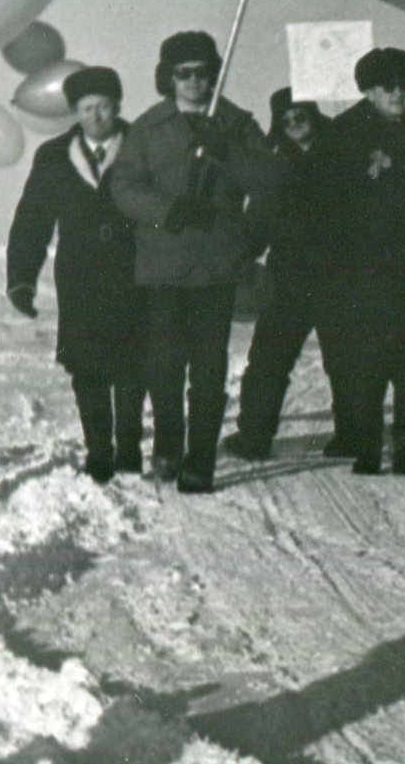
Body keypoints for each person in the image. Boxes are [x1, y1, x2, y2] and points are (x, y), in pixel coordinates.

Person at [107, 31, 278, 495]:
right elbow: (123, 186)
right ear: (168, 77)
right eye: (183, 73)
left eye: (203, 72)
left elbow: (270, 179)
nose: (194, 81)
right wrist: (166, 211)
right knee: (164, 365)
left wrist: (229, 152)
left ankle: (200, 460)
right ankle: (168, 444)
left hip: (215, 267)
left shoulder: (236, 123)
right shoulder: (148, 128)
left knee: (208, 368)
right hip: (162, 267)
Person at [310, 47, 405, 474]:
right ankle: (368, 445)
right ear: (369, 91)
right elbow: (321, 204)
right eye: (389, 86)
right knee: (366, 362)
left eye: (404, 85)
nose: (399, 93)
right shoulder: (342, 135)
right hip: (361, 270)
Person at [4, 66, 147, 481]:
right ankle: (99, 450)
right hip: (80, 277)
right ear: (74, 112)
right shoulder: (53, 156)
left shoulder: (143, 146)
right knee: (87, 367)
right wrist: (21, 278)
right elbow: (32, 219)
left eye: (104, 107)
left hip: (135, 272)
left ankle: (129, 447)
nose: (96, 116)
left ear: (117, 106)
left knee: (133, 365)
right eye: (87, 109)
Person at [228, 89, 346, 459]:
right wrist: (239, 256)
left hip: (339, 276)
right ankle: (253, 438)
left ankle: (355, 435)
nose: (294, 124)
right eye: (286, 119)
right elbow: (257, 222)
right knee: (268, 360)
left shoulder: (342, 157)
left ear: (314, 115)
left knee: (346, 360)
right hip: (288, 279)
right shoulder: (274, 167)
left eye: (300, 115)